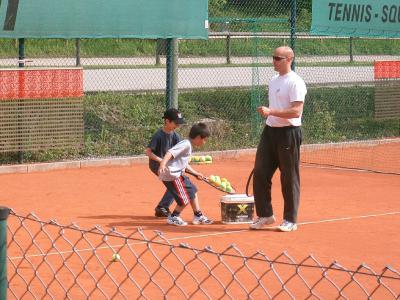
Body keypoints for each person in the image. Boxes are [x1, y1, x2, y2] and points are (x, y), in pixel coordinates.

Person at [250, 46, 307, 232]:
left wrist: (271, 111)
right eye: (273, 57)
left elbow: (296, 111)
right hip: (270, 132)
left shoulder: (296, 82)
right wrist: (270, 115)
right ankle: (266, 215)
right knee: (260, 173)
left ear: (289, 59)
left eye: (277, 58)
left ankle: (290, 219)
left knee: (288, 177)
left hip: (289, 133)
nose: (273, 61)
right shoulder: (274, 80)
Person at [158, 122, 213, 226]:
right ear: (197, 137)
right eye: (204, 139)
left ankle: (198, 215)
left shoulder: (188, 145)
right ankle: (174, 217)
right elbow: (170, 152)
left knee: (193, 190)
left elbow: (183, 164)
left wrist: (196, 173)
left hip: (177, 174)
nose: (204, 142)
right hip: (172, 176)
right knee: (185, 198)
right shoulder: (185, 144)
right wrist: (162, 164)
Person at [145, 108, 184, 217]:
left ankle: (162, 207)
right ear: (167, 121)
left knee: (175, 184)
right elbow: (148, 152)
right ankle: (162, 207)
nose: (178, 125)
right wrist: (162, 161)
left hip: (169, 166)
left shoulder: (176, 136)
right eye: (176, 123)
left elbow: (179, 152)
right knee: (175, 184)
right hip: (156, 165)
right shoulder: (158, 135)